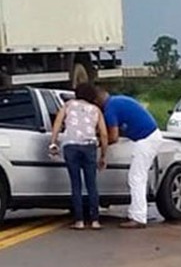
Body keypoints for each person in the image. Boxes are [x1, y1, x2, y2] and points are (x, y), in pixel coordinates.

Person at [95, 87, 162, 228]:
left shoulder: (110, 109)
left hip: (146, 139)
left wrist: (98, 144)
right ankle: (136, 213)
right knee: (138, 177)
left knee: (137, 178)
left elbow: (113, 137)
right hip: (150, 136)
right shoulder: (118, 100)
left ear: (97, 101)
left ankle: (138, 217)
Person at [49, 83, 108, 230]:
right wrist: (103, 156)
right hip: (89, 146)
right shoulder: (96, 110)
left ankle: (79, 221)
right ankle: (95, 221)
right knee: (91, 184)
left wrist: (53, 141)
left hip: (71, 146)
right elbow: (104, 134)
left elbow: (57, 123)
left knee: (76, 184)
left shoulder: (68, 105)